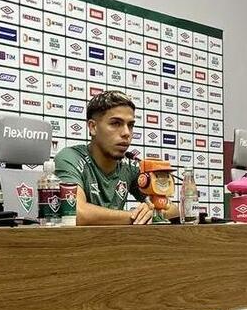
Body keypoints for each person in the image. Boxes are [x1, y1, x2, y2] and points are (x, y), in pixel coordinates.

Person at [55, 90, 178, 225]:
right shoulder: (70, 158)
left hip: (115, 243)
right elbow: (75, 212)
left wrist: (150, 211)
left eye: (130, 125)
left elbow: (172, 210)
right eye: (115, 123)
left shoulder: (130, 166)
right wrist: (135, 216)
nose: (126, 133)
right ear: (93, 127)